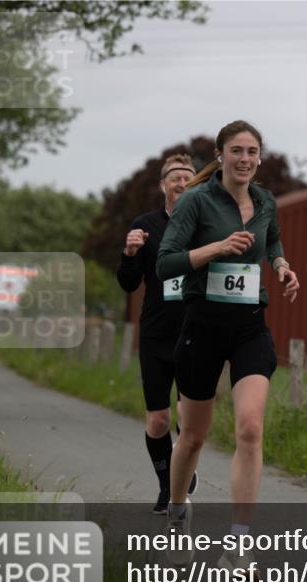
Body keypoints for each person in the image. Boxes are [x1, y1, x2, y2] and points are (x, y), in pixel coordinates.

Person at [157, 120, 299, 572]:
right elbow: (166, 264)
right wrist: (215, 249)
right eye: (236, 150)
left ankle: (239, 546)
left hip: (249, 326)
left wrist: (279, 263)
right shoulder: (196, 201)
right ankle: (178, 514)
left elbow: (271, 236)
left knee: (251, 429)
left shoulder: (263, 200)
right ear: (220, 156)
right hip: (202, 325)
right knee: (194, 435)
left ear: (259, 158)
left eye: (252, 151)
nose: (245, 158)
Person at [117, 154, 199, 514]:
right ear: (162, 185)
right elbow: (128, 282)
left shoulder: (206, 224)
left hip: (196, 333)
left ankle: (181, 474)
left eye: (188, 177)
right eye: (175, 178)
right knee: (158, 419)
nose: (182, 183)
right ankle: (167, 483)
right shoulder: (146, 225)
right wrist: (130, 252)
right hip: (155, 334)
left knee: (188, 416)